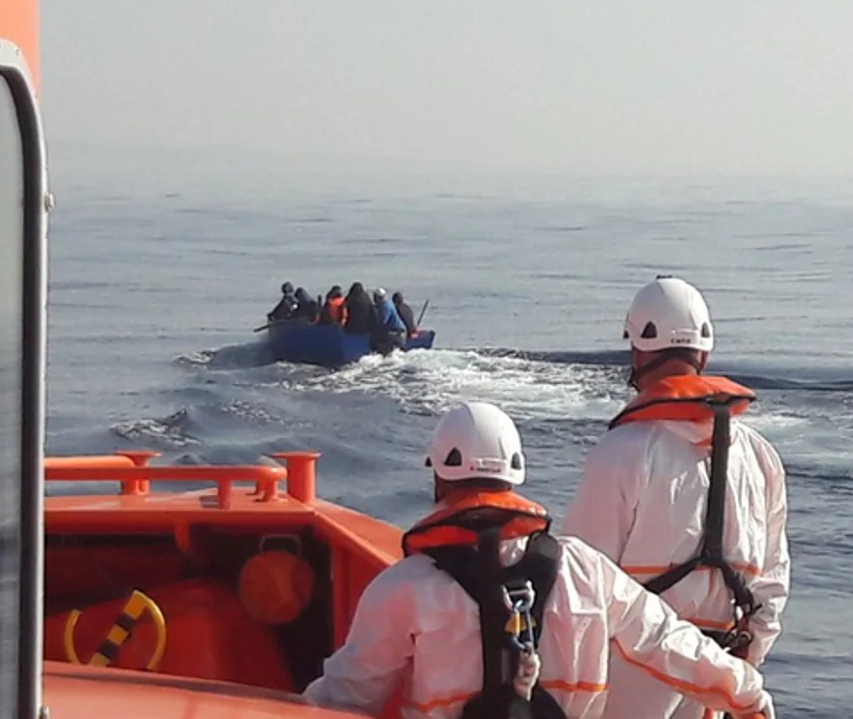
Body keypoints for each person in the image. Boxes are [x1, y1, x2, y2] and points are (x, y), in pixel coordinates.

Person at [302, 401, 775, 719]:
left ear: (439, 480)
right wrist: (746, 693)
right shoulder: (587, 570)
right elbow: (664, 641)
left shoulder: (404, 588)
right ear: (516, 475)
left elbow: (348, 693)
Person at [562, 275, 790, 719]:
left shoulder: (623, 452)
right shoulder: (761, 456)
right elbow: (772, 583)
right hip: (720, 665)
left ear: (638, 350)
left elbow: (580, 582)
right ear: (703, 353)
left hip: (633, 668)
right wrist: (738, 674)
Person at [370, 286, 407, 355]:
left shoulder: (385, 306)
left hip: (397, 333)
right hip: (398, 332)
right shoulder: (387, 304)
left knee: (376, 341)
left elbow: (382, 322)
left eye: (374, 297)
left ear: (378, 298)